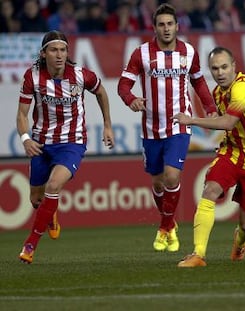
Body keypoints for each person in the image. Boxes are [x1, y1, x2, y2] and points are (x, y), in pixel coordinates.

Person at [117, 3, 217, 253]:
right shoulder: (141, 53)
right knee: (159, 182)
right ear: (154, 27)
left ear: (177, 26)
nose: (166, 28)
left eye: (170, 24)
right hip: (151, 129)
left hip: (179, 125)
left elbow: (199, 81)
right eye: (161, 24)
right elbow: (123, 86)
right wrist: (132, 100)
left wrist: (210, 108)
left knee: (172, 175)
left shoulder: (189, 52)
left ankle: (164, 227)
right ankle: (170, 225)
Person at [17, 30, 115, 264]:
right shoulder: (33, 77)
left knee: (54, 184)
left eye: (63, 50)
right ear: (43, 53)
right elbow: (21, 114)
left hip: (72, 142)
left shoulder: (81, 75)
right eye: (54, 50)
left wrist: (107, 125)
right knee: (36, 199)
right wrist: (25, 139)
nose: (59, 55)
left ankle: (30, 245)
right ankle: (50, 214)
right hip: (42, 142)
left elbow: (101, 91)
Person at [174, 46, 245, 267]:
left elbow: (227, 122)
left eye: (224, 67)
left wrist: (192, 120)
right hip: (232, 151)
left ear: (234, 67)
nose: (220, 72)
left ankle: (240, 241)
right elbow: (228, 126)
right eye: (215, 68)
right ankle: (198, 255)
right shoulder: (218, 93)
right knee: (210, 190)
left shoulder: (243, 87)